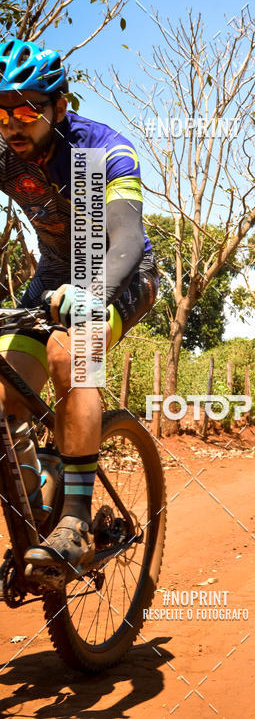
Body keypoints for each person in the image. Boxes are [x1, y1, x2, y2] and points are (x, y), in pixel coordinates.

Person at [0, 37, 159, 574]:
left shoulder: (98, 151)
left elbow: (126, 240)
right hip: (49, 279)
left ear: (61, 106)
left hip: (115, 272)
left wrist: (91, 293)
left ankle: (74, 520)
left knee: (71, 354)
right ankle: (33, 500)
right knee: (4, 393)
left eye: (25, 109)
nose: (12, 124)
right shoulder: (4, 153)